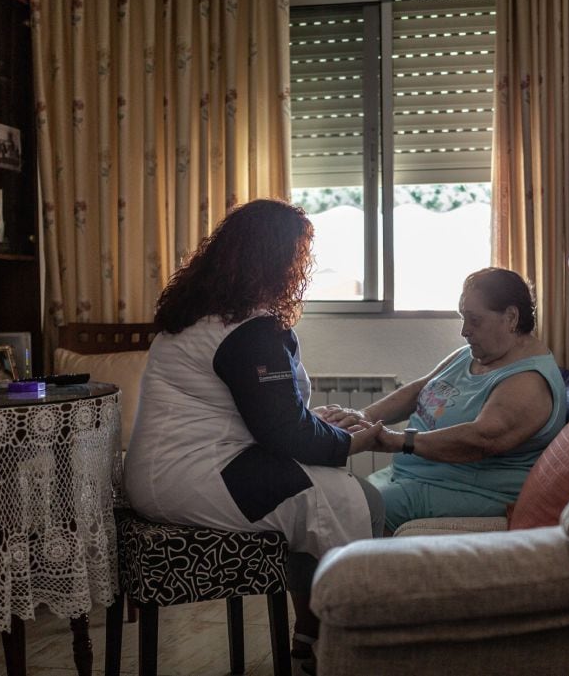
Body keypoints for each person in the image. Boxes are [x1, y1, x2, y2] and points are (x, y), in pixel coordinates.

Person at [123, 198, 391, 672]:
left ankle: (312, 636)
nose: (301, 267)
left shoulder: (205, 313)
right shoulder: (247, 328)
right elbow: (283, 432)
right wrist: (356, 441)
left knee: (341, 496)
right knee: (339, 495)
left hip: (174, 468)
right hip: (191, 475)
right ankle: (355, 645)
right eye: (298, 256)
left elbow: (264, 412)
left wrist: (316, 422)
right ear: (277, 260)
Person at [315, 267, 568, 533]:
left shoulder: (529, 382)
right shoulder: (471, 355)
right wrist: (362, 416)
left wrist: (400, 441)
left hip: (463, 489)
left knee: (338, 512)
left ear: (511, 317)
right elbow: (419, 390)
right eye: (463, 318)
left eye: (474, 320)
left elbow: (482, 438)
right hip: (411, 476)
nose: (464, 331)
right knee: (330, 497)